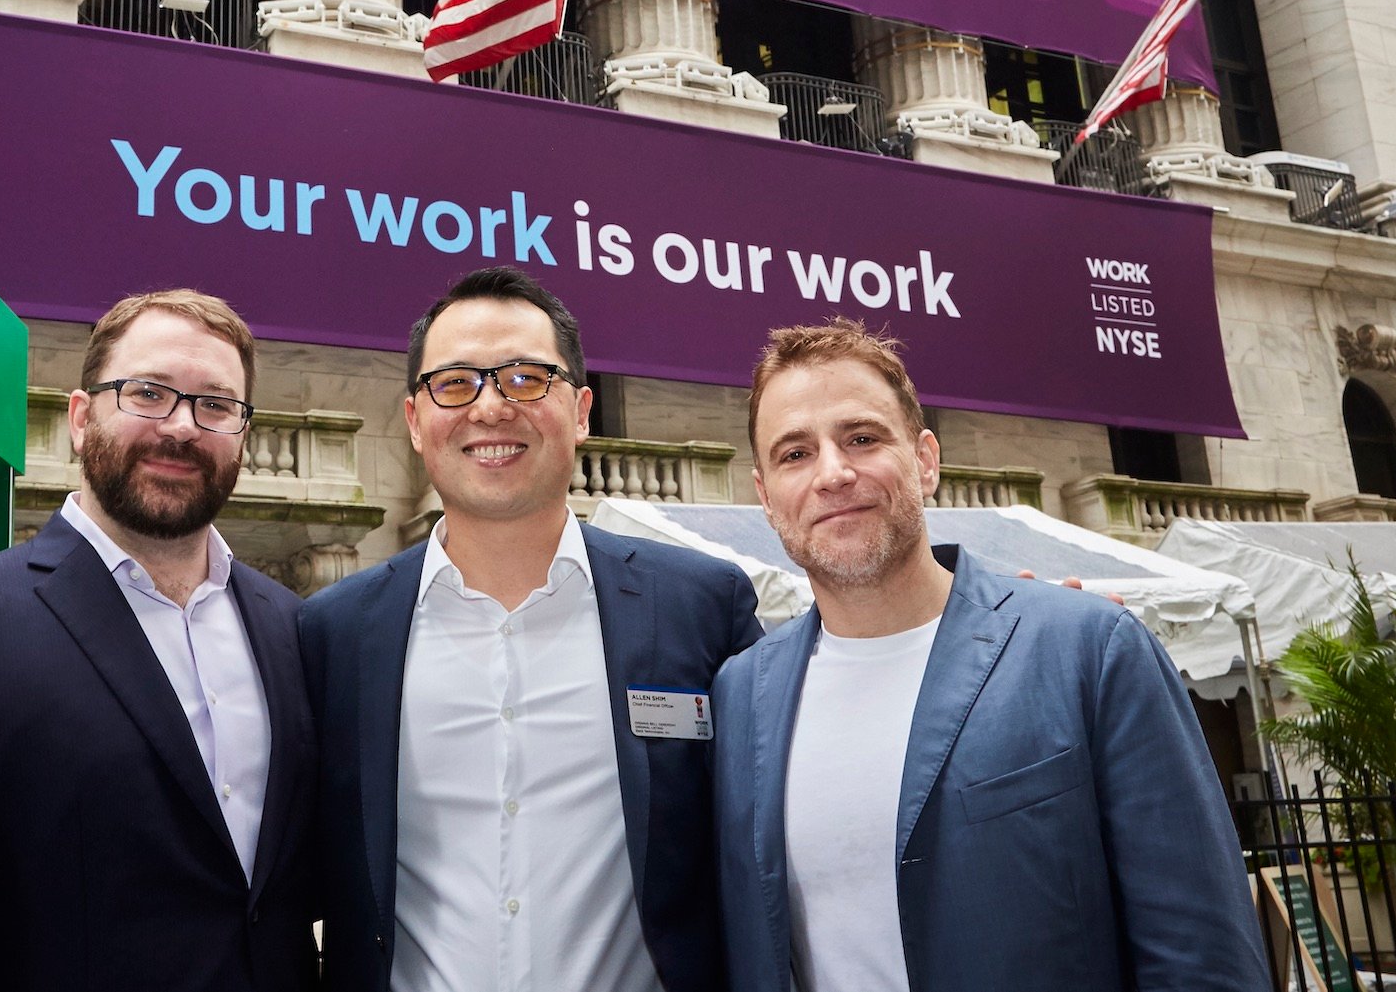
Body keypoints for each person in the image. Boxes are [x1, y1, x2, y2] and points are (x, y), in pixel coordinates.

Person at [711, 317, 1270, 992]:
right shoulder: (741, 693)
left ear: (925, 460)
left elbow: (1203, 956)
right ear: (766, 495)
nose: (833, 473)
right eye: (795, 453)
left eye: (861, 438)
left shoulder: (1089, 648)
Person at [0, 289, 315, 991]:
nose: (181, 426)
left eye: (215, 404)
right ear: (81, 418)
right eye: (148, 393)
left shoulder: (294, 626)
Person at [301, 265, 762, 992]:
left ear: (581, 410)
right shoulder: (333, 634)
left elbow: (765, 843)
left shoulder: (700, 607)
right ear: (415, 421)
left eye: (525, 378)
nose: (490, 407)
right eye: (455, 383)